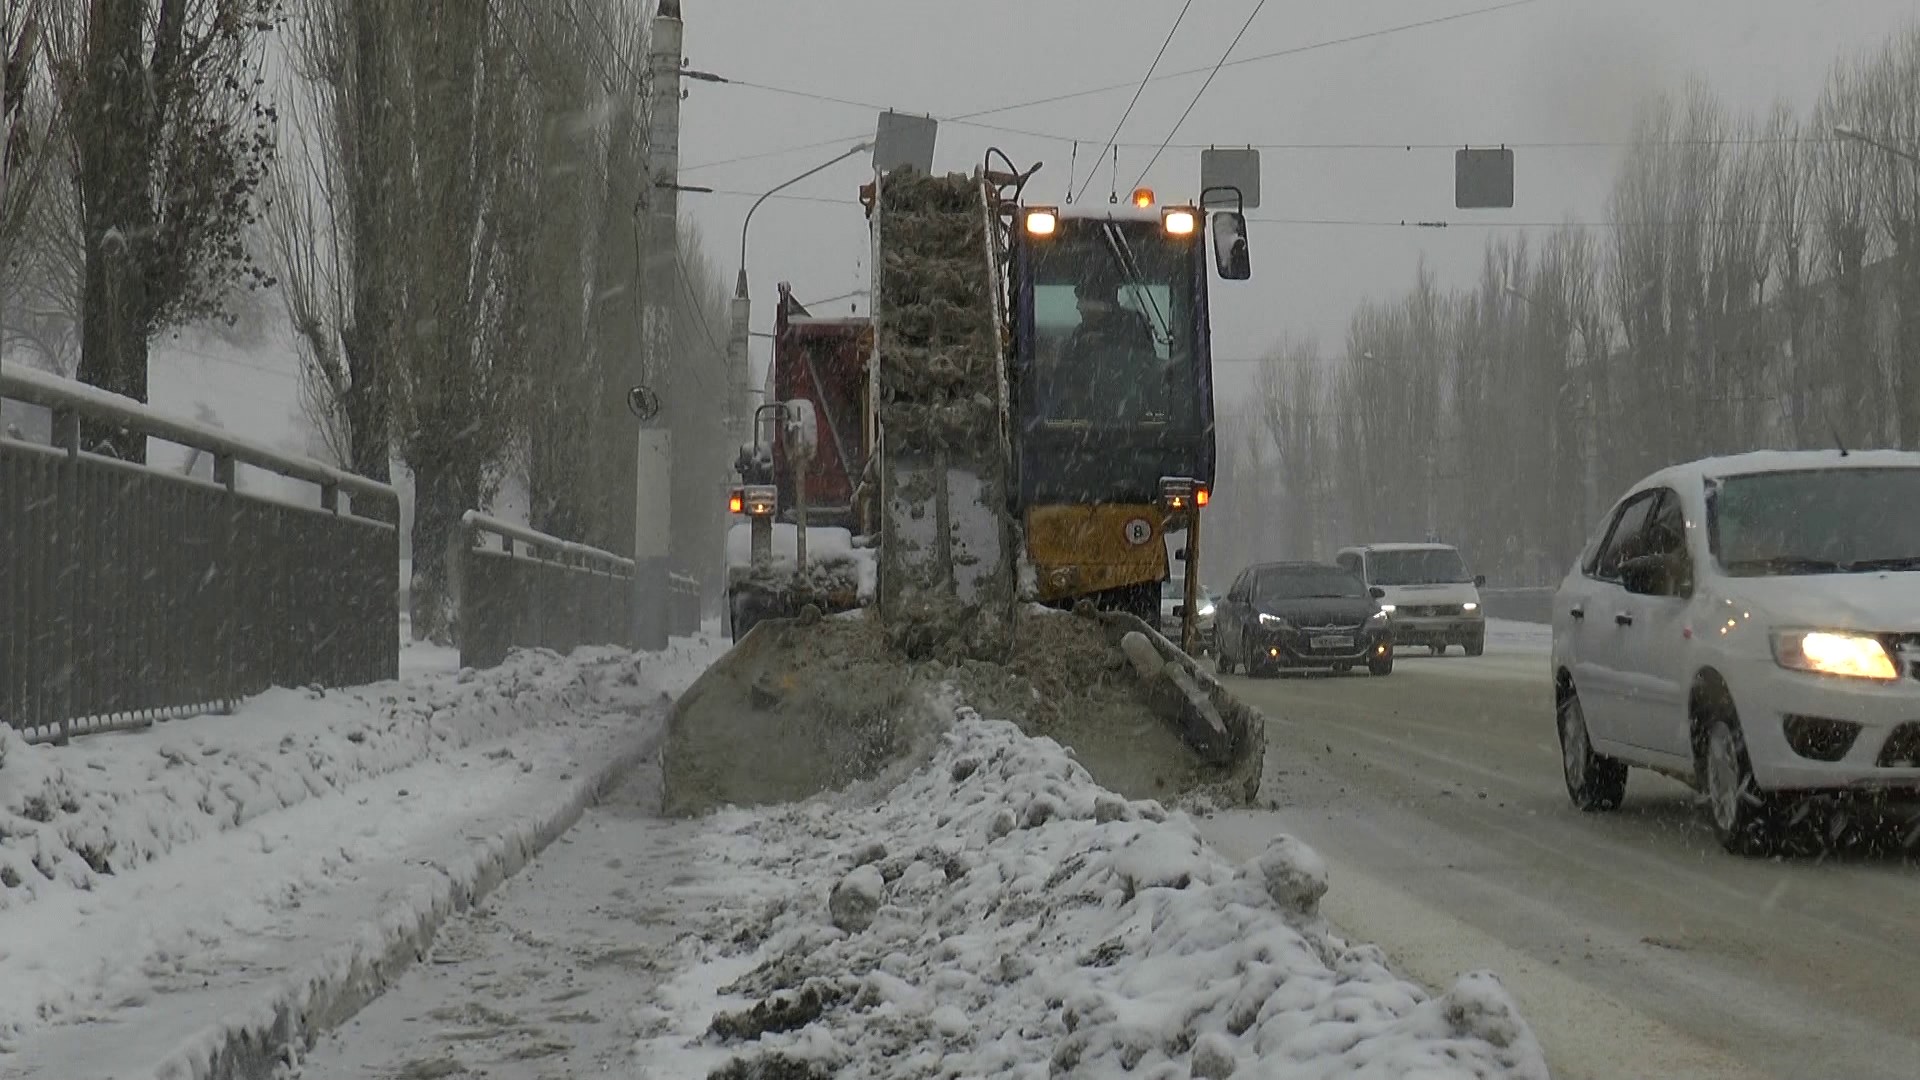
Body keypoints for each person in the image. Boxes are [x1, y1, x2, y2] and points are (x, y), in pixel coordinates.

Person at [1050, 268, 1160, 421]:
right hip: (1082, 428)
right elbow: (1066, 382)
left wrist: (1105, 344)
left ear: (1101, 303)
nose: (1078, 307)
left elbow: (1146, 372)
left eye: (1083, 300)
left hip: (1135, 425)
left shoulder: (1133, 327)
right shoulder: (1079, 336)